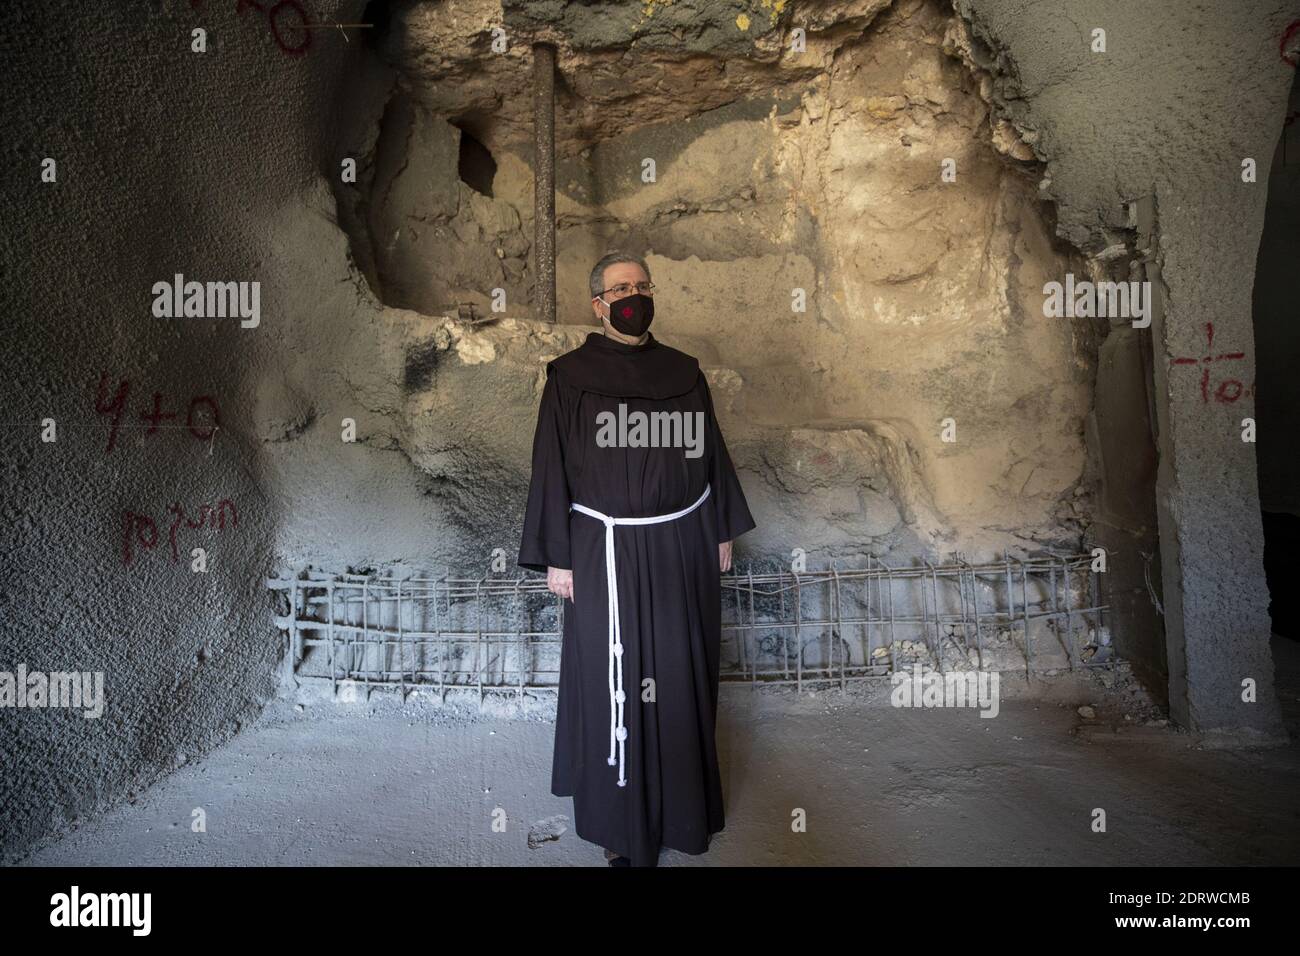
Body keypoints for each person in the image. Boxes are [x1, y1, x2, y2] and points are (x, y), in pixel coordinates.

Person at [518, 251, 757, 867]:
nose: (633, 295)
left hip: (682, 541)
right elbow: (552, 468)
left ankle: (683, 815)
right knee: (611, 678)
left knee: (678, 672)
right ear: (598, 303)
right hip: (601, 548)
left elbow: (710, 456)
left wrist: (722, 529)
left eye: (642, 285)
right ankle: (621, 829)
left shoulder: (685, 371)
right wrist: (557, 557)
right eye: (620, 287)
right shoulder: (568, 376)